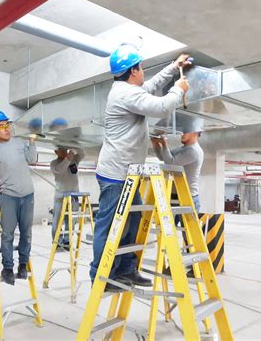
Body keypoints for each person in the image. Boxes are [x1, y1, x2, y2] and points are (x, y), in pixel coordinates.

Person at [90, 43, 191, 291]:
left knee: (132, 221)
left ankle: (125, 270)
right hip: (115, 174)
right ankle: (100, 276)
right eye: (141, 67)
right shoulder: (126, 94)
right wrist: (178, 90)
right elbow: (161, 106)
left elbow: (152, 86)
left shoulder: (127, 88)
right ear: (133, 70)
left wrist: (173, 67)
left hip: (128, 172)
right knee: (110, 225)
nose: (143, 71)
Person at [0, 109, 38, 285]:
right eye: (1, 126)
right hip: (9, 197)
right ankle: (7, 269)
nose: (6, 129)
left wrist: (32, 141)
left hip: (28, 195)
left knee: (27, 233)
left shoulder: (19, 142)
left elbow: (32, 159)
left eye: (7, 125)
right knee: (7, 234)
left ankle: (22, 266)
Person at [151, 113, 204, 212]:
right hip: (176, 195)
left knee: (184, 227)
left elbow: (170, 163)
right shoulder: (183, 148)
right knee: (172, 227)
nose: (182, 134)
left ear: (195, 133)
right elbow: (163, 158)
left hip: (188, 197)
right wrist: (156, 144)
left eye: (186, 131)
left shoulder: (193, 152)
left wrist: (164, 144)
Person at [50, 147, 86, 250]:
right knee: (57, 220)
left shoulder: (73, 160)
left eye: (65, 150)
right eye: (61, 150)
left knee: (71, 220)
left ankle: (67, 241)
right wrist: (68, 158)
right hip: (60, 196)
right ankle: (57, 242)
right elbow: (61, 169)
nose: (64, 152)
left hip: (73, 195)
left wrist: (75, 145)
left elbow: (83, 154)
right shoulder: (54, 164)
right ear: (56, 152)